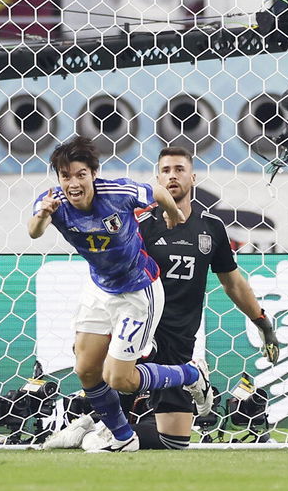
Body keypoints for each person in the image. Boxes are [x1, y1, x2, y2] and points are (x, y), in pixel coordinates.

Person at [27, 136, 211, 452]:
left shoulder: (117, 193)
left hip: (138, 292)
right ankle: (123, 438)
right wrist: (44, 213)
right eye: (66, 176)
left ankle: (191, 374)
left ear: (93, 175)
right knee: (85, 369)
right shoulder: (52, 202)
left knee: (119, 378)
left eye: (80, 175)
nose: (73, 183)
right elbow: (33, 231)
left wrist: (173, 214)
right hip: (99, 289)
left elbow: (155, 191)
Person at [133, 146, 280, 448]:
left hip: (179, 343)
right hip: (139, 335)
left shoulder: (210, 227)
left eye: (179, 169)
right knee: (110, 418)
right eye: (166, 170)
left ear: (193, 177)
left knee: (173, 442)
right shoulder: (141, 226)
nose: (172, 176)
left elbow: (232, 282)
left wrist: (263, 323)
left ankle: (191, 378)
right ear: (157, 178)